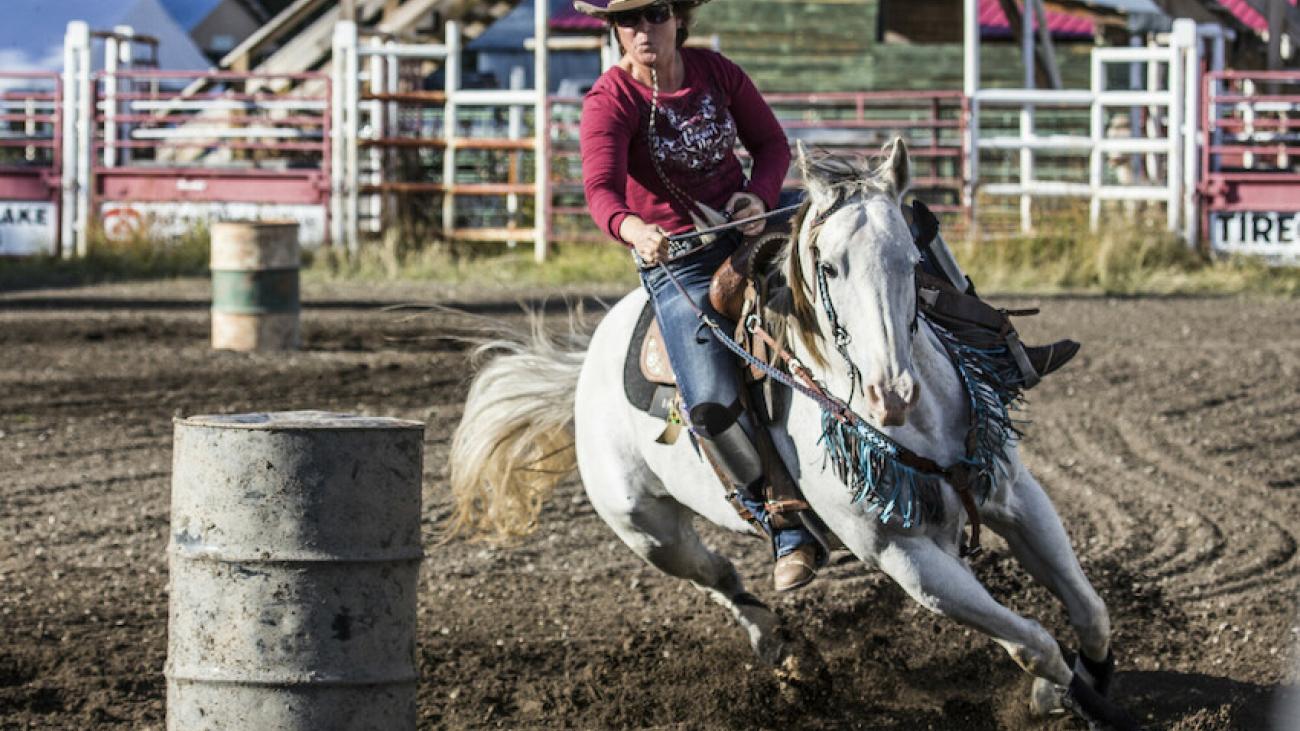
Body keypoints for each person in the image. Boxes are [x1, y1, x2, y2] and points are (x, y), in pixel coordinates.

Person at [576, 0, 820, 591]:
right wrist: (636, 231)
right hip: (679, 262)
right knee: (708, 403)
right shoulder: (610, 101)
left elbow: (772, 147)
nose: (641, 29)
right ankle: (781, 521)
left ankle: (984, 355)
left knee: (867, 248)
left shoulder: (717, 73)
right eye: (626, 19)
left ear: (678, 17)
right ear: (614, 30)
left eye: (654, 13)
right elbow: (601, 191)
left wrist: (760, 198)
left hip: (752, 228)